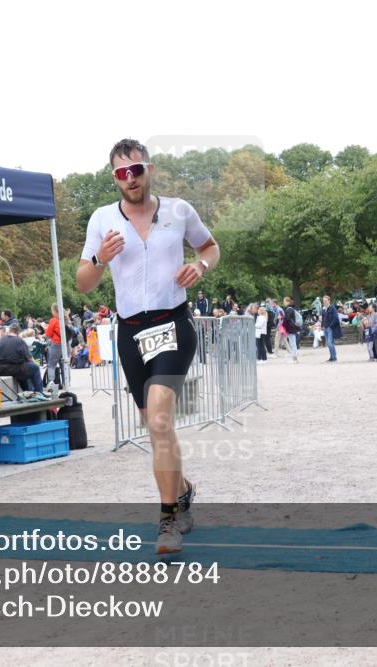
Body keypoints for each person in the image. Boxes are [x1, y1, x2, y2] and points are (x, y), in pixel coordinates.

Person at [75, 138, 219, 555]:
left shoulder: (179, 211)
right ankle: (184, 488)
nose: (130, 178)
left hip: (172, 323)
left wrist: (200, 265)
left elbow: (209, 247)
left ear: (149, 169)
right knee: (156, 427)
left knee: (159, 421)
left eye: (136, 170)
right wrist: (99, 258)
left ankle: (168, 519)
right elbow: (83, 282)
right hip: (130, 332)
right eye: (122, 173)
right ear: (114, 177)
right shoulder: (102, 219)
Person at [0, 324, 44, 392]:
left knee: (22, 369)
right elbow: (30, 358)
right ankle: (39, 393)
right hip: (11, 368)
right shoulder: (19, 341)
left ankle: (27, 391)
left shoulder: (2, 339)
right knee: (35, 368)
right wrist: (35, 363)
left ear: (9, 331)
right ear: (18, 332)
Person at [321, 295, 342, 362]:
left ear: (329, 301)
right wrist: (322, 326)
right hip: (325, 328)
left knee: (330, 343)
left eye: (325, 301)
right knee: (329, 343)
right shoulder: (323, 309)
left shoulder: (332, 308)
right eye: (323, 301)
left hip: (330, 328)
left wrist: (330, 326)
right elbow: (323, 318)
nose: (324, 302)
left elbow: (336, 318)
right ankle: (332, 357)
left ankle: (334, 357)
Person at [282, 296, 300, 363]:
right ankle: (294, 358)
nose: (283, 303)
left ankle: (294, 359)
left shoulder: (289, 309)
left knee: (292, 343)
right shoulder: (290, 309)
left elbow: (287, 319)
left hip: (290, 328)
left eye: (284, 301)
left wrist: (283, 324)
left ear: (287, 301)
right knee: (292, 343)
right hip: (291, 328)